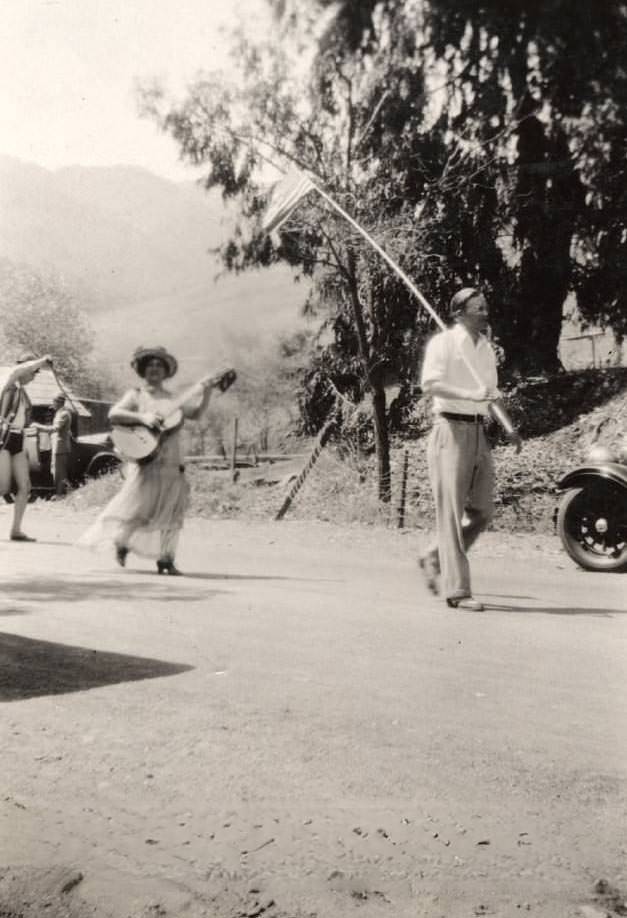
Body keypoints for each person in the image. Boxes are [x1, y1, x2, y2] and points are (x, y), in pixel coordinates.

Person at [418, 288, 522, 611]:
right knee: (450, 514)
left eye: (486, 307)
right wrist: (469, 393)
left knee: (483, 510)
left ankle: (434, 556)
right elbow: (430, 384)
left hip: (478, 432)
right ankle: (458, 591)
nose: (485, 313)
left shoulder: (485, 349)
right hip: (449, 429)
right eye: (478, 308)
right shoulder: (443, 344)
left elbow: (489, 394)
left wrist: (509, 427)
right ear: (459, 313)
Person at [79, 345, 215, 575]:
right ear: (143, 370)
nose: (154, 368)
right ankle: (121, 542)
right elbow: (114, 413)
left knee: (172, 512)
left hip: (172, 461)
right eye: (150, 365)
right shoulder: (136, 395)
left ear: (166, 371)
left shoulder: (175, 398)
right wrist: (142, 416)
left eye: (159, 365)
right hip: (147, 462)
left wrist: (207, 392)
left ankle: (167, 560)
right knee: (137, 510)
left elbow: (197, 414)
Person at [0, 352, 54, 541]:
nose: (33, 376)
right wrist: (41, 361)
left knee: (25, 485)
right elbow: (17, 371)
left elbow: (24, 421)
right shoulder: (7, 381)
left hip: (17, 439)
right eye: (33, 372)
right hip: (3, 439)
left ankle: (15, 530)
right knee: (3, 487)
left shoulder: (23, 393)